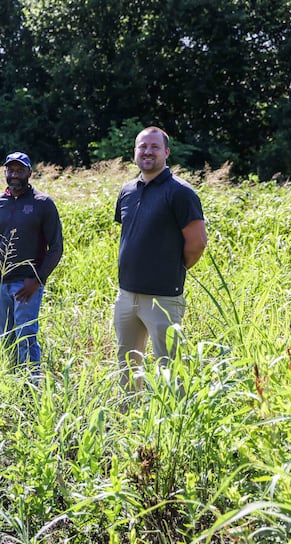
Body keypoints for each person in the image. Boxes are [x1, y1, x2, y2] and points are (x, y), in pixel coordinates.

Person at [114, 126, 207, 392]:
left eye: (154, 147)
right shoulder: (127, 190)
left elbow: (198, 242)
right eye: (142, 146)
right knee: (127, 364)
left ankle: (172, 423)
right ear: (135, 151)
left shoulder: (180, 192)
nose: (148, 151)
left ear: (166, 152)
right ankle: (129, 419)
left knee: (170, 366)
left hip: (163, 298)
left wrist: (172, 268)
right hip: (126, 295)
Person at [0, 152, 63, 382]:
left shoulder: (42, 203)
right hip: (1, 284)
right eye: (10, 170)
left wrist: (37, 279)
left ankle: (32, 387)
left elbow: (56, 248)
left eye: (19, 170)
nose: (14, 175)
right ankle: (12, 383)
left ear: (30, 173)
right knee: (7, 337)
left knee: (26, 336)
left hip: (27, 285)